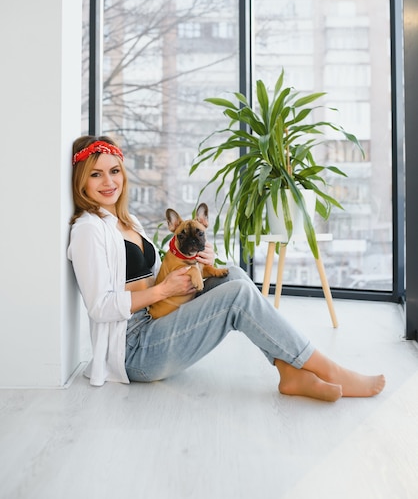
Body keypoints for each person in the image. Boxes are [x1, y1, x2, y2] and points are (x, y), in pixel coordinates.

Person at [68, 135, 386, 400]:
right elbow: (99, 307)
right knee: (236, 296)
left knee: (231, 274)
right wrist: (165, 290)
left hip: (156, 321)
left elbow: (155, 276)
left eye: (114, 171)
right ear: (82, 180)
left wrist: (194, 265)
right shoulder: (88, 230)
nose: (108, 181)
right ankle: (329, 369)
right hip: (133, 351)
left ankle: (290, 372)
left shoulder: (127, 223)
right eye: (96, 174)